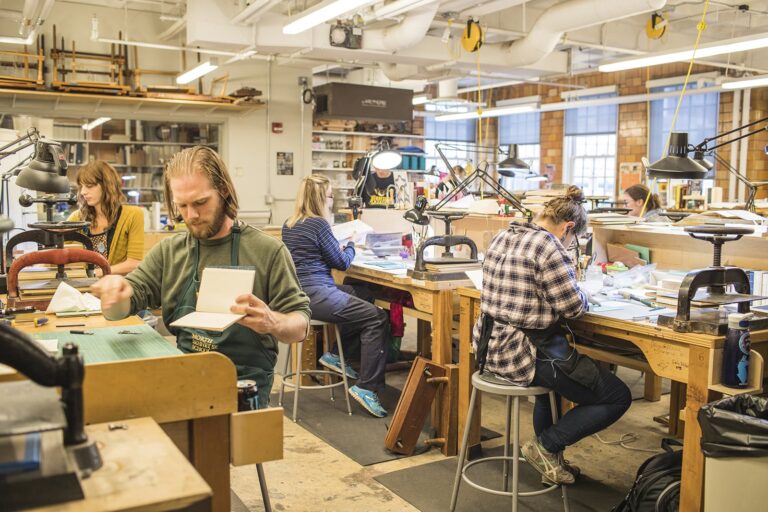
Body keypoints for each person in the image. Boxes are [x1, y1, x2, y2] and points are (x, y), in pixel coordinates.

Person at [91, 146, 311, 408]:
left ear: (224, 190)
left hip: (243, 386)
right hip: (185, 376)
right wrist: (115, 297)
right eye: (181, 205)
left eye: (200, 203)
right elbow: (126, 303)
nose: (191, 216)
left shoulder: (267, 250)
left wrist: (272, 322)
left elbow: (300, 326)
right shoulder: (169, 252)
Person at [473, 186, 631, 485]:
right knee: (616, 396)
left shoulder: (505, 236)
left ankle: (549, 458)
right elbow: (572, 308)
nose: (571, 244)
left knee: (554, 389)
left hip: (489, 347)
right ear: (568, 228)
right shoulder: (548, 246)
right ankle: (545, 446)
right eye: (573, 240)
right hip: (523, 353)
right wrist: (585, 294)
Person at [282, 175, 389, 418]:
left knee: (365, 295)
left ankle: (334, 354)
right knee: (377, 319)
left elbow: (313, 255)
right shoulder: (319, 224)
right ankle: (366, 387)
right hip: (319, 295)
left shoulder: (289, 224)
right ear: (321, 198)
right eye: (331, 196)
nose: (332, 201)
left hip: (300, 294)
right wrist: (352, 242)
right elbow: (341, 263)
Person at [68, 161, 144, 275]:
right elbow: (57, 250)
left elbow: (134, 263)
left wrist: (94, 273)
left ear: (107, 185)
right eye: (81, 186)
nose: (83, 192)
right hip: (85, 287)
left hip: (117, 287)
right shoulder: (77, 218)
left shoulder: (133, 215)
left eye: (89, 186)